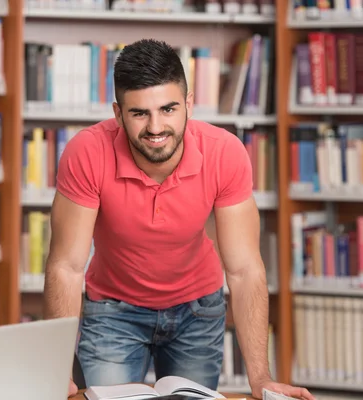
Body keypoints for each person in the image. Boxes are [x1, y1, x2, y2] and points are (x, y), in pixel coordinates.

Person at [43, 38, 314, 400]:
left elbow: (245, 269)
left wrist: (261, 378)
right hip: (113, 312)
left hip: (197, 312)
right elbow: (66, 266)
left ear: (189, 104)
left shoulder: (224, 153)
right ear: (118, 113)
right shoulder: (86, 153)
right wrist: (58, 370)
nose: (156, 128)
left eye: (168, 109)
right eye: (139, 113)